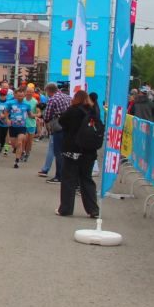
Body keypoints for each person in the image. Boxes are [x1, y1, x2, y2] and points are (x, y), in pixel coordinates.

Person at [56, 90, 100, 218]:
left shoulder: (72, 110)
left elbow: (61, 122)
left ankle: (66, 208)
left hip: (72, 149)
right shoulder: (93, 111)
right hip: (89, 150)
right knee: (86, 178)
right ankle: (93, 209)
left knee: (69, 178)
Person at [40, 83, 71, 183]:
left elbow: (47, 116)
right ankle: (66, 174)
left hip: (58, 126)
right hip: (69, 127)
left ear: (49, 91)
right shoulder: (68, 97)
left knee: (58, 152)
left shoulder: (53, 99)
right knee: (66, 152)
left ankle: (59, 176)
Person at [2, 87, 35, 168]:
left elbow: (30, 114)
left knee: (20, 142)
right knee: (14, 144)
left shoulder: (27, 105)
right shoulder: (11, 103)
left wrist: (36, 116)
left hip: (22, 127)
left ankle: (16, 161)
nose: (20, 97)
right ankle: (16, 150)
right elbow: (6, 112)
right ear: (16, 95)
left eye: (22, 96)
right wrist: (7, 119)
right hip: (13, 126)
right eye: (19, 96)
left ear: (24, 95)